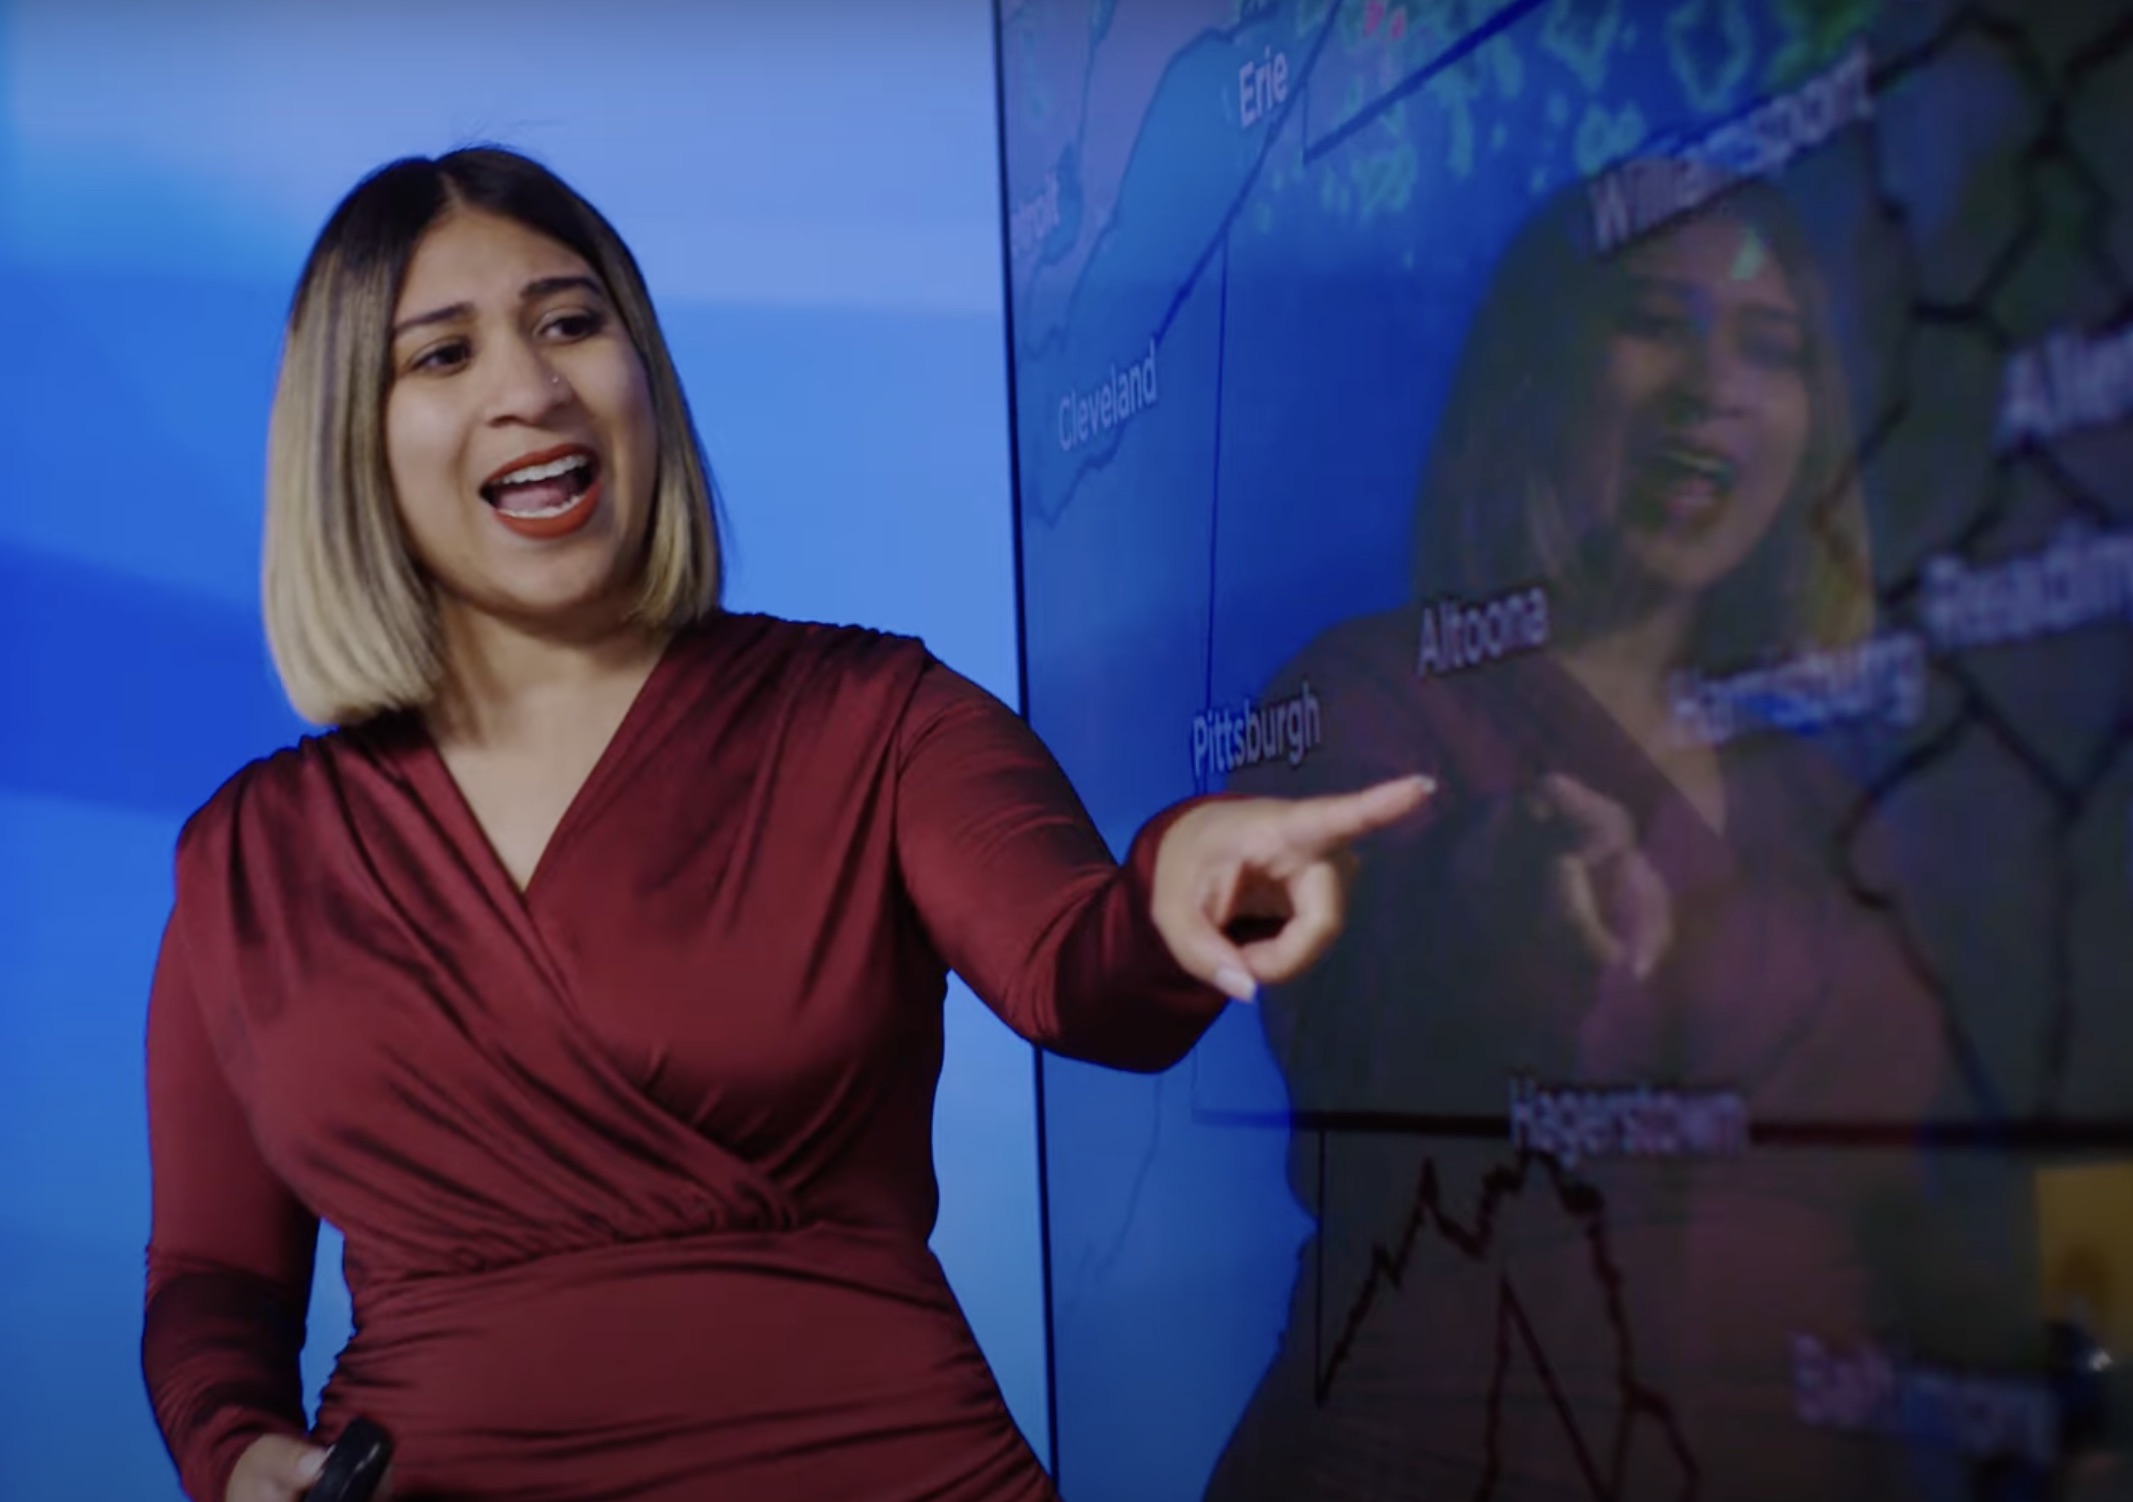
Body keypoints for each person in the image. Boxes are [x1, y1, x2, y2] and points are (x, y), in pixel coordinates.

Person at [139, 145, 1431, 1502]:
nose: (531, 388)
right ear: (351, 433)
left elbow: (1080, 965)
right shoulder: (246, 859)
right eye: (442, 355)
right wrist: (237, 1453)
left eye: (571, 322)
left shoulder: (873, 716)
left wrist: (1177, 884)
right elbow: (213, 1276)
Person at [1203, 173, 1994, 1499]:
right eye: (1651, 321)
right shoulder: (1361, 697)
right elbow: (1352, 1056)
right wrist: (1498, 945)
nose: (1711, 385)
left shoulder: (1815, 791)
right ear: (1534, 378)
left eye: (1770, 345)